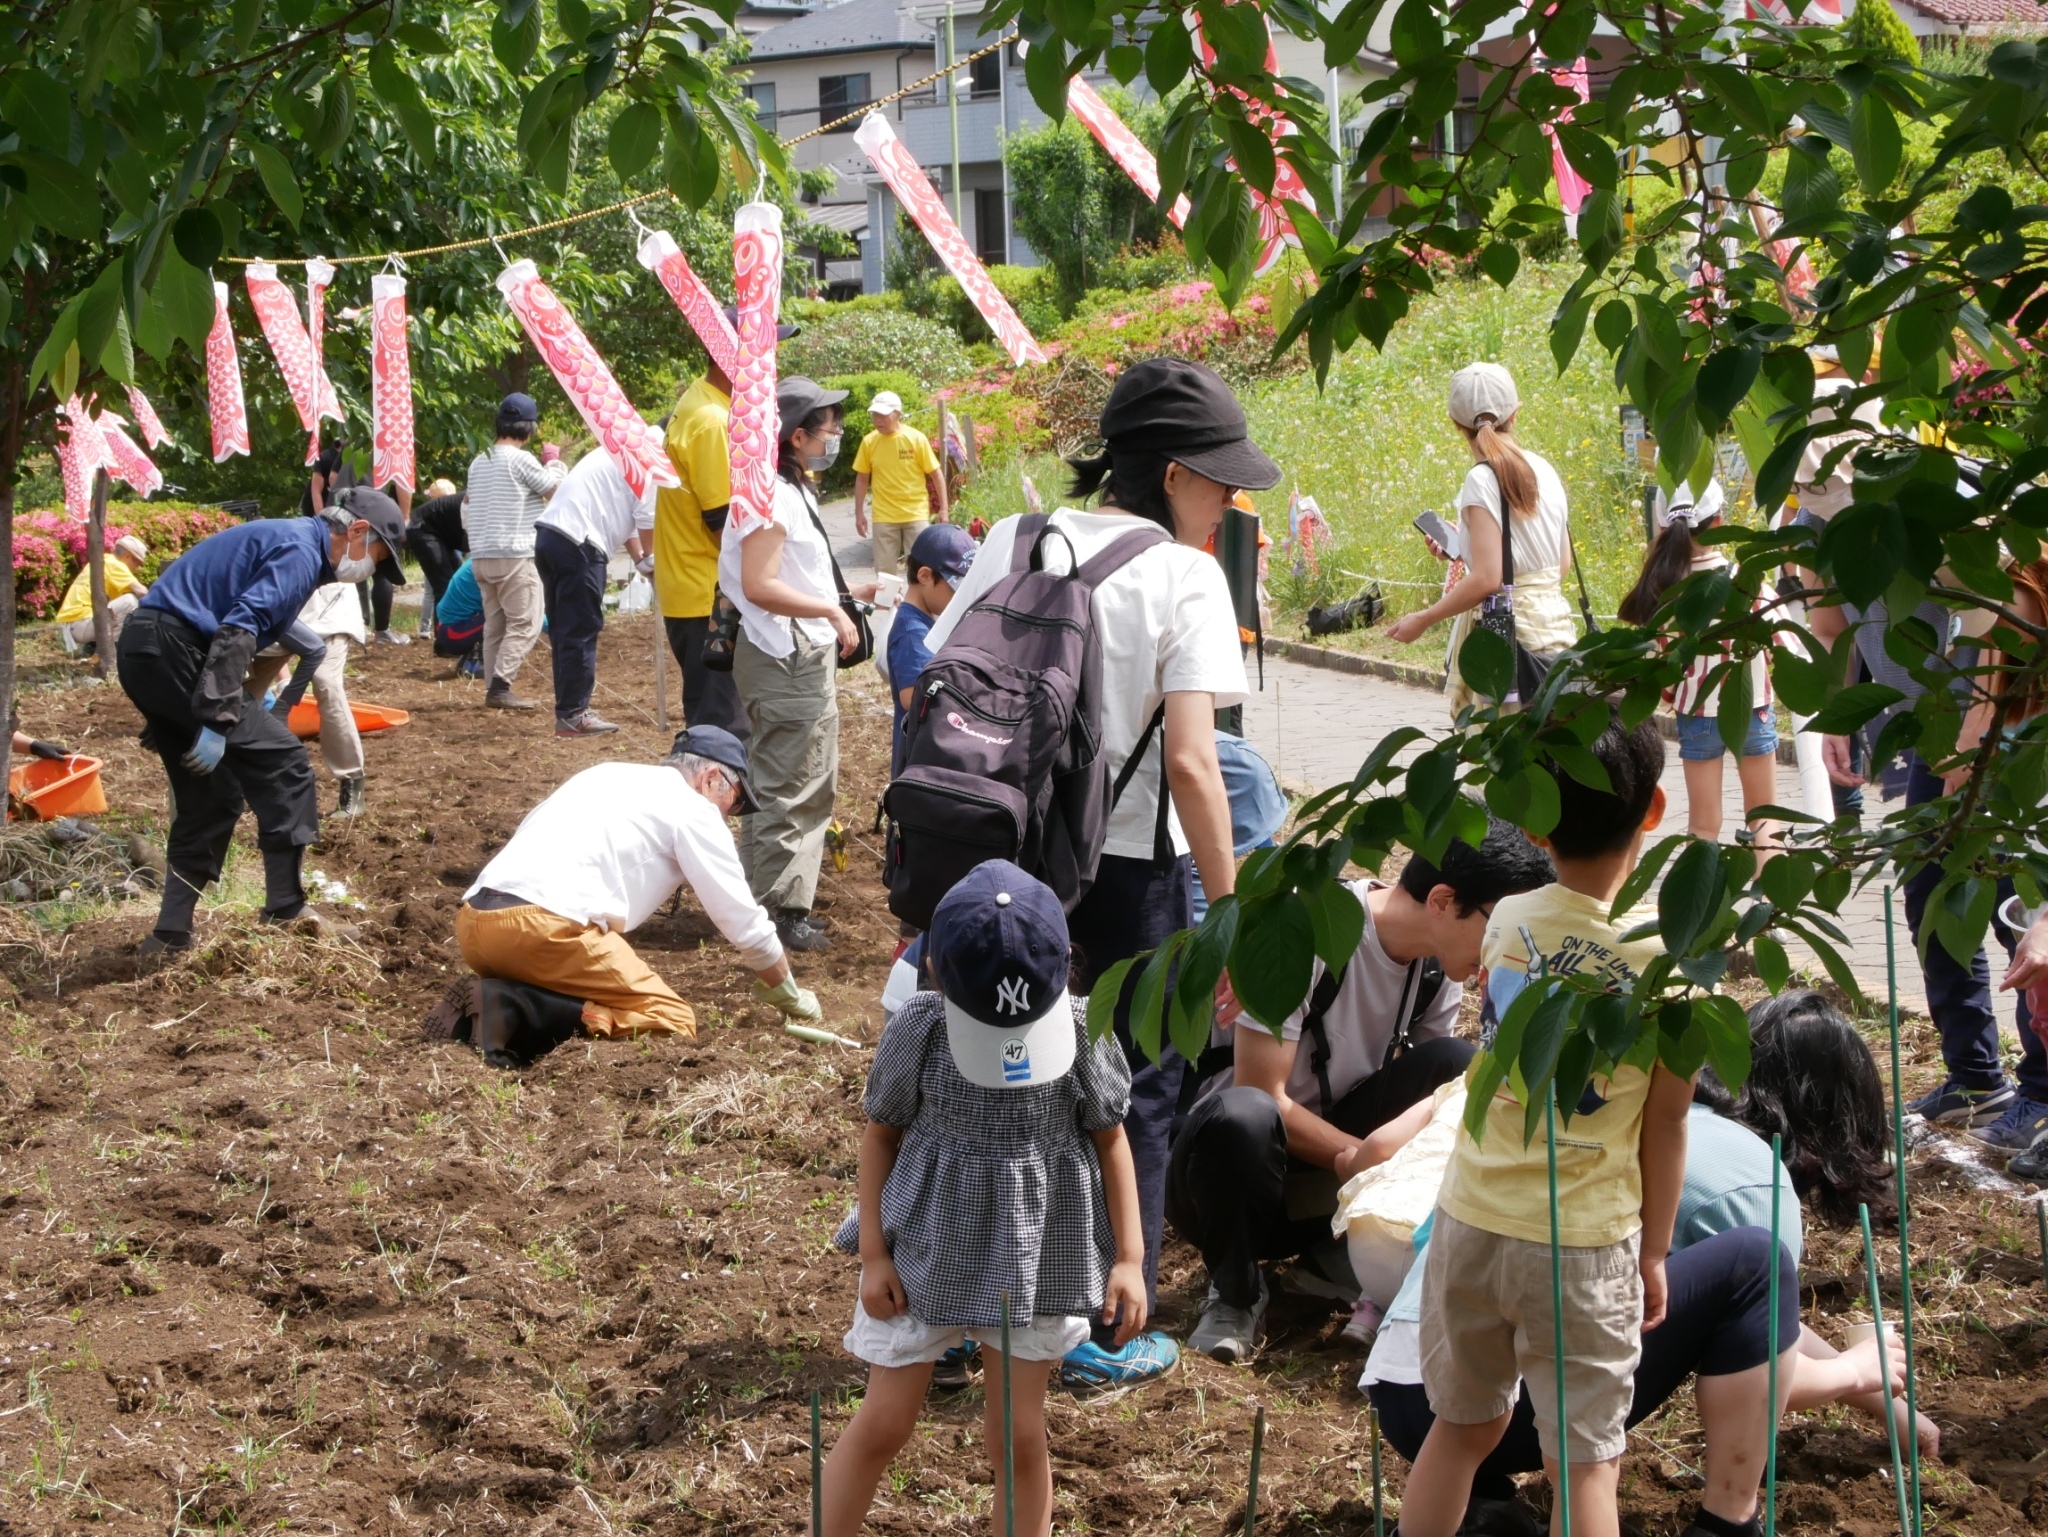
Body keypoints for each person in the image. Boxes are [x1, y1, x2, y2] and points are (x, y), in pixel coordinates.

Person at [922, 357, 1280, 1391]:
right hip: (1131, 872)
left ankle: (957, 1315)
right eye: (1218, 481)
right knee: (1129, 1089)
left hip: (997, 862)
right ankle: (1093, 1324)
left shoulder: (1011, 537)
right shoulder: (1183, 575)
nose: (1227, 503)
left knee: (980, 1070)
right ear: (1172, 475)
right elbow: (1190, 765)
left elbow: (932, 682)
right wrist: (1232, 912)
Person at [1366, 988, 1932, 1536]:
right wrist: (1853, 1371)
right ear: (1837, 1116)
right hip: (1521, 1414)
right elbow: (1766, 1367)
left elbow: (1759, 1330)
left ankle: (1479, 1508)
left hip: (1413, 1392)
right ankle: (1727, 1523)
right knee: (1591, 1454)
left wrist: (1885, 1401)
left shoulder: (1606, 1125)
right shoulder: (1754, 1171)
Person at [1400, 711, 1692, 1537]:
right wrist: (1656, 1251)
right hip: (1583, 1242)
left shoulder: (1506, 919)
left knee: (1461, 1430)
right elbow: (1666, 1124)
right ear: (1656, 809)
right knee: (1586, 1462)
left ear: (1533, 823)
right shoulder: (1665, 962)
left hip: (1470, 1220)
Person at [819, 861, 1145, 1537]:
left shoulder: (1084, 1029)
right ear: (932, 966)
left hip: (1035, 1253)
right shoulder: (924, 1026)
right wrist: (874, 1251)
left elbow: (1112, 1139)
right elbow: (882, 1135)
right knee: (884, 1422)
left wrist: (1131, 1258)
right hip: (926, 1246)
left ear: (1064, 965)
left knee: (1015, 1434)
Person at [1167, 819, 1555, 1364]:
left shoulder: (1438, 971)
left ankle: (1335, 1264)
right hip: (1228, 1178)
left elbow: (1428, 1111)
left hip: (1326, 1183)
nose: (1508, 950)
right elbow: (1264, 1094)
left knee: (1455, 1070)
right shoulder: (1303, 931)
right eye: (1505, 928)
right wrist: (1360, 1162)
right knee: (1245, 1115)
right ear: (1443, 902)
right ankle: (1234, 1291)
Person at [423, 726, 822, 1068]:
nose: (728, 816)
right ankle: (511, 1004)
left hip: (477, 925)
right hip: (543, 929)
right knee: (672, 1019)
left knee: (583, 978)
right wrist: (787, 991)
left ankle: (505, 1007)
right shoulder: (694, 810)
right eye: (734, 802)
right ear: (712, 778)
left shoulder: (606, 772)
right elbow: (743, 922)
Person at [116, 499, 407, 954]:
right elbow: (240, 626)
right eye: (377, 556)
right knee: (287, 763)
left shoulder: (286, 538)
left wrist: (179, 710)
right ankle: (286, 908)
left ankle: (169, 934)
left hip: (146, 651)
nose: (369, 568)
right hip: (176, 650)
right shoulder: (300, 550)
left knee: (211, 791)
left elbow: (276, 631)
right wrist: (215, 716)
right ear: (358, 531)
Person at [723, 376, 862, 956]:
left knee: (777, 777)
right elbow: (760, 584)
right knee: (796, 783)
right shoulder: (771, 495)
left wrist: (848, 591)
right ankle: (781, 911)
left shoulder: (785, 488)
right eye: (829, 426)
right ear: (798, 435)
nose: (837, 435)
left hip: (786, 653)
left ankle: (760, 900)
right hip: (786, 657)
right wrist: (830, 607)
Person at [1385, 363, 1581, 717]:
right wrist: (1465, 546)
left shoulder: (1480, 479)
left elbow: (1490, 578)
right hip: (1555, 630)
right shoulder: (1546, 470)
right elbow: (1559, 565)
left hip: (1508, 642)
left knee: (1505, 755)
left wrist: (1424, 618)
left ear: (1455, 423)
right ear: (1515, 414)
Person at [657, 308, 799, 742]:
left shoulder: (706, 403)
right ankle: (703, 810)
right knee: (721, 732)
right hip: (710, 598)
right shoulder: (714, 423)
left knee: (723, 721)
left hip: (702, 589)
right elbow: (728, 526)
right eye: (762, 351)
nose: (770, 362)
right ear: (726, 355)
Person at [1618, 477, 1780, 848]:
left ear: (1662, 526)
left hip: (1697, 714)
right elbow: (1780, 645)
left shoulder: (1665, 591)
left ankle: (1700, 900)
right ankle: (1771, 900)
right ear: (1720, 522)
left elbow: (1663, 664)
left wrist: (1674, 696)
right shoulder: (1746, 581)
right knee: (1764, 814)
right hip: (1752, 707)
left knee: (1703, 824)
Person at [532, 447, 655, 738]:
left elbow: (623, 516)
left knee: (564, 628)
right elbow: (647, 518)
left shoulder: (618, 450)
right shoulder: (648, 459)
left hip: (552, 535)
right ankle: (574, 713)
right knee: (580, 628)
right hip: (580, 542)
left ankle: (569, 710)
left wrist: (640, 559)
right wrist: (652, 558)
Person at [464, 392, 565, 710]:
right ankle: (501, 686)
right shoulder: (521, 460)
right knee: (526, 622)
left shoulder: (479, 460)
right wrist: (555, 463)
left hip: (481, 554)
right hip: (515, 552)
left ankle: (493, 686)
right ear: (529, 428)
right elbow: (555, 491)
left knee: (495, 623)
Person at [246, 578, 371, 818]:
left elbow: (313, 650)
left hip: (329, 607)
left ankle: (351, 782)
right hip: (279, 611)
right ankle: (239, 781)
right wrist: (284, 680)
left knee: (327, 682)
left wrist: (285, 703)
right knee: (242, 693)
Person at [883, 521, 976, 775]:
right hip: (918, 766)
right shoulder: (913, 632)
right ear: (925, 575)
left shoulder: (928, 619)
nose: (960, 600)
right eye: (955, 590)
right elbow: (913, 696)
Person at [852, 390, 946, 577]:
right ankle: (888, 606)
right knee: (884, 572)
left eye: (883, 415)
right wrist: (859, 513)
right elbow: (862, 479)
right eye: (874, 414)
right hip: (884, 515)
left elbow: (936, 474)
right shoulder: (869, 442)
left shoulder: (916, 438)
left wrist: (944, 509)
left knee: (921, 570)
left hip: (916, 513)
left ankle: (918, 606)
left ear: (898, 414)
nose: (878, 419)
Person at [55, 534, 148, 652]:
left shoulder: (102, 561)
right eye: (137, 563)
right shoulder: (115, 565)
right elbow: (142, 592)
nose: (137, 568)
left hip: (75, 625)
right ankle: (111, 649)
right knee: (130, 602)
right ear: (127, 556)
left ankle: (93, 647)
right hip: (82, 624)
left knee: (122, 604)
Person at [407, 477, 468, 612]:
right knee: (445, 586)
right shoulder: (480, 500)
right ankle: (443, 632)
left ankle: (456, 629)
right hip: (423, 527)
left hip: (445, 534)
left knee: (457, 583)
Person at [431, 557, 485, 679]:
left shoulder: (480, 558)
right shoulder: (488, 564)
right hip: (454, 632)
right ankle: (476, 664)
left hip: (450, 630)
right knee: (502, 615)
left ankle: (468, 660)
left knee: (498, 612)